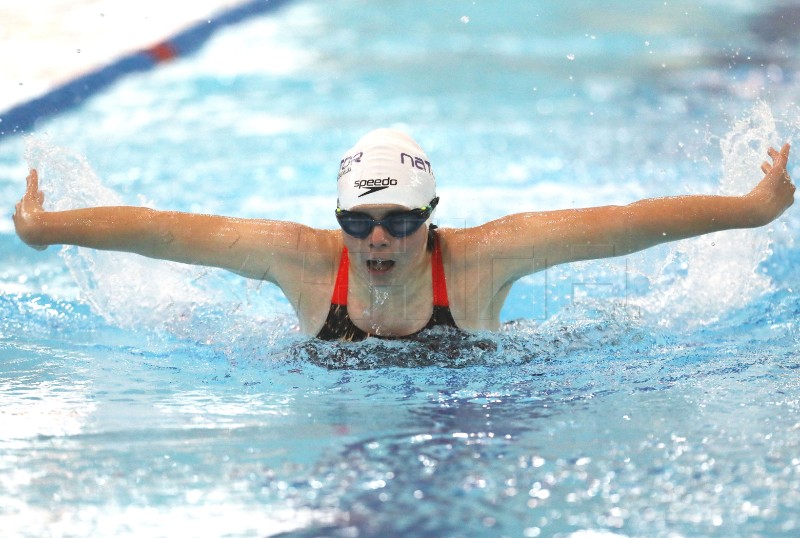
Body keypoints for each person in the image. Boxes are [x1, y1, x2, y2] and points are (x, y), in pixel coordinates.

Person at [13, 129, 795, 341]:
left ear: (432, 218)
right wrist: (48, 231)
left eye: (397, 222)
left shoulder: (485, 257)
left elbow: (625, 228)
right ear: (340, 222)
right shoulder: (302, 261)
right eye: (358, 222)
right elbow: (165, 233)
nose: (377, 240)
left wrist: (753, 208)